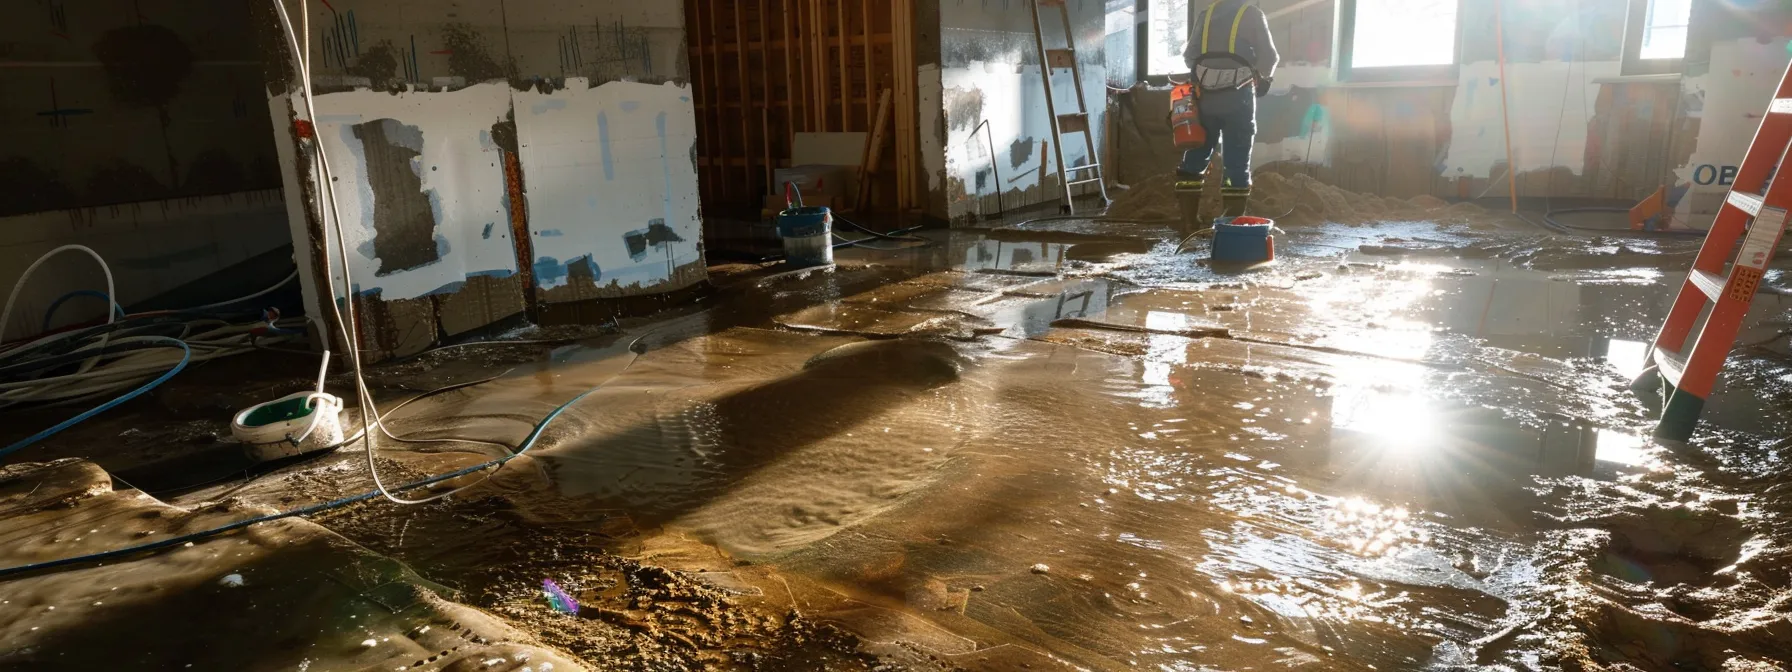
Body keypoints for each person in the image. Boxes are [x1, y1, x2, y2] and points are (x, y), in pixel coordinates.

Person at [1177, 0, 1279, 229]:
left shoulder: (1206, 14)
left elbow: (1190, 56)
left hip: (1204, 101)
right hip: (1238, 100)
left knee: (1194, 159)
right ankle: (1230, 226)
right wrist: (1264, 80)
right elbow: (1270, 57)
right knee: (1236, 164)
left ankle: (1187, 223)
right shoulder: (1251, 14)